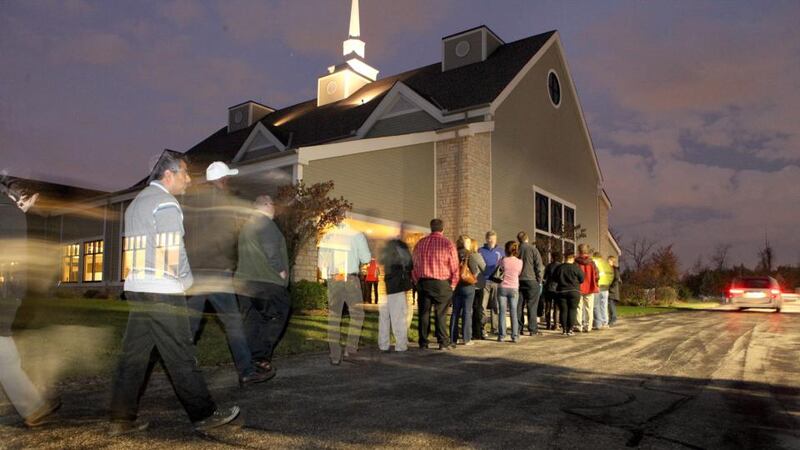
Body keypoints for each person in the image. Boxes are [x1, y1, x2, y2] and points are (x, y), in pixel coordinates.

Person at [109, 153, 239, 436]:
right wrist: (187, 282)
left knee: (133, 355)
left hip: (138, 288)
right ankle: (203, 413)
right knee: (181, 353)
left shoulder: (137, 203)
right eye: (184, 173)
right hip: (163, 289)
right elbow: (172, 251)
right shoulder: (166, 203)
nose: (189, 179)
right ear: (168, 175)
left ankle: (121, 417)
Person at [184, 161, 268, 386]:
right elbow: (228, 236)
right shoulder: (224, 203)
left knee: (189, 327)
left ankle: (184, 374)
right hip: (217, 273)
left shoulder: (191, 202)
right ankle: (246, 372)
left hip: (194, 274)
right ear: (222, 180)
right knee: (233, 324)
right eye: (227, 179)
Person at [0, 179, 61, 427]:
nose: (32, 206)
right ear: (22, 197)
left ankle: (33, 407)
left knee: (6, 356)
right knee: (5, 354)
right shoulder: (12, 214)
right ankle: (33, 408)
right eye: (33, 201)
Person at [235, 195, 290, 380]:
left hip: (245, 282)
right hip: (266, 281)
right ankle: (260, 358)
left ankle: (249, 363)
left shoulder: (247, 225)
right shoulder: (265, 222)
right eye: (273, 204)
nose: (274, 208)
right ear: (266, 205)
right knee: (278, 314)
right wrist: (280, 271)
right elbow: (271, 249)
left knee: (252, 321)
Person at [320, 222, 371, 365]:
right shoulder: (357, 235)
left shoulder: (327, 235)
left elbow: (321, 262)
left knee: (334, 315)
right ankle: (350, 350)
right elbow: (366, 258)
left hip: (335, 277)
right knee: (357, 314)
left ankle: (335, 355)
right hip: (350, 278)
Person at [412, 219, 459, 350]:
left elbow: (414, 263)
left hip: (423, 282)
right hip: (441, 283)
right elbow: (454, 267)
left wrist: (416, 280)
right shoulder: (448, 244)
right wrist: (453, 284)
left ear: (431, 228)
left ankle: (423, 341)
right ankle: (443, 342)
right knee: (441, 313)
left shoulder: (420, 243)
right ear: (442, 229)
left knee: (424, 313)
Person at [378, 227, 414, 352]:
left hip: (385, 285)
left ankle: (383, 344)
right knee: (398, 317)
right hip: (397, 286)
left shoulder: (386, 248)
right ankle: (401, 345)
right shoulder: (401, 247)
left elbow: (381, 261)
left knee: (384, 317)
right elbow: (410, 265)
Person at [450, 235, 485, 346]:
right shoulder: (470, 254)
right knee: (467, 312)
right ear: (466, 243)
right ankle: (466, 338)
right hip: (468, 286)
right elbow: (474, 270)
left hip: (456, 286)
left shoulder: (453, 253)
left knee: (455, 312)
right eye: (469, 242)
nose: (470, 244)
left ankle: (452, 338)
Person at [474, 231, 503, 339]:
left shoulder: (501, 251)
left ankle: (495, 328)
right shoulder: (480, 251)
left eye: (494, 239)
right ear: (486, 239)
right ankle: (482, 328)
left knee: (496, 306)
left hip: (496, 281)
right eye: (490, 239)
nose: (492, 241)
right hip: (484, 281)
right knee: (483, 306)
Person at [516, 232, 544, 336]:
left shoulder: (516, 249)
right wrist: (539, 281)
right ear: (527, 238)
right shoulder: (533, 249)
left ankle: (518, 328)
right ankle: (532, 329)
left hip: (518, 280)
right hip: (531, 280)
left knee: (519, 306)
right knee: (532, 305)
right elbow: (539, 266)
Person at [496, 241, 523, 342]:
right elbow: (519, 273)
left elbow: (498, 269)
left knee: (502, 312)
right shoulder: (520, 262)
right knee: (513, 312)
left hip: (502, 287)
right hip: (514, 287)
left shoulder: (502, 260)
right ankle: (515, 336)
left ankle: (502, 335)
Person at [552, 253, 584, 336]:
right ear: (572, 258)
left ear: (565, 258)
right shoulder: (576, 268)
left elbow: (554, 278)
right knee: (572, 310)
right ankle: (570, 329)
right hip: (574, 291)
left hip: (562, 291)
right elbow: (582, 279)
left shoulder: (559, 268)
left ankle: (564, 329)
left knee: (563, 310)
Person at [575, 244, 599, 333]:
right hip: (590, 287)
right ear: (587, 251)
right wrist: (596, 283)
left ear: (579, 251)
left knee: (578, 307)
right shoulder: (592, 262)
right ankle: (588, 326)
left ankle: (578, 326)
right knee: (589, 308)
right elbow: (597, 275)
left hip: (579, 287)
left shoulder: (576, 262)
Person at [593, 251, 614, 330]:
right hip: (605, 288)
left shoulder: (594, 264)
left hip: (598, 287)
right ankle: (605, 322)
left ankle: (598, 323)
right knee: (604, 306)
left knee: (596, 306)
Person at [542, 252, 563, 330]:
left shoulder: (548, 266)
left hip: (548, 288)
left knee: (548, 306)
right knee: (556, 307)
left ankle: (548, 324)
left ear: (552, 257)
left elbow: (544, 277)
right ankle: (556, 324)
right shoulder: (561, 266)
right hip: (557, 288)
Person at [607, 256, 621, 326]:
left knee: (611, 305)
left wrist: (610, 287)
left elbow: (615, 278)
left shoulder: (614, 269)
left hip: (612, 291)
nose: (607, 262)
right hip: (613, 290)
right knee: (611, 305)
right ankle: (612, 319)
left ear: (612, 261)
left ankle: (613, 319)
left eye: (608, 261)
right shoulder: (613, 269)